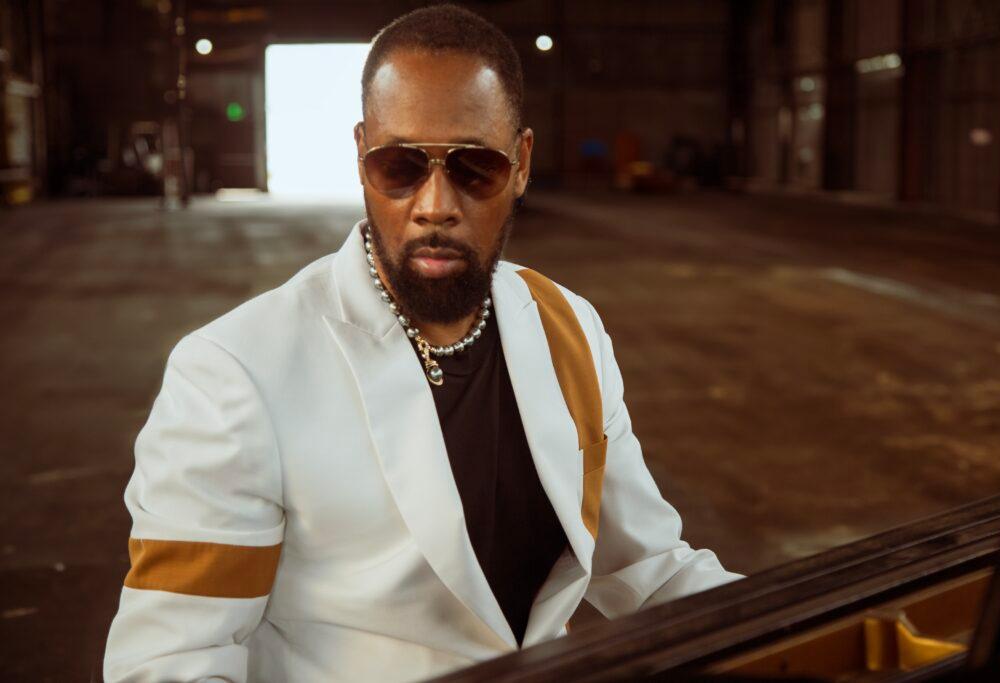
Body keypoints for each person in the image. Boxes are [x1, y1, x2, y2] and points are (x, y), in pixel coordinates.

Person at [103, 5, 742, 682]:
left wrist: (804, 624)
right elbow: (169, 663)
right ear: (360, 157)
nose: (434, 203)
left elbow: (646, 566)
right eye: (400, 165)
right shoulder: (234, 374)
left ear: (521, 163)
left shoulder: (569, 328)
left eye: (474, 169)